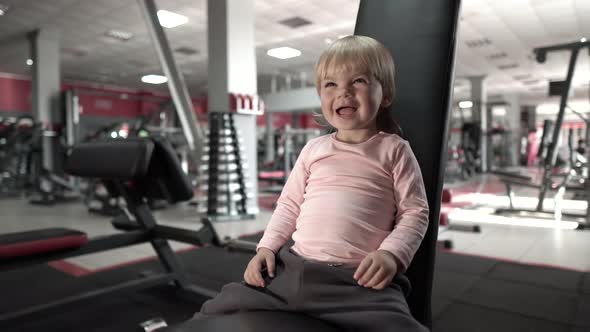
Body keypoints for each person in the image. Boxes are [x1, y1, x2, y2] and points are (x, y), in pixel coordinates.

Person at [196, 35, 430, 332]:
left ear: (384, 95)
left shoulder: (394, 149)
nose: (343, 92)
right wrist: (265, 248)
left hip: (358, 283)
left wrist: (391, 254)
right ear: (321, 95)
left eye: (357, 81)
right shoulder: (314, 149)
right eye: (330, 84)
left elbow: (415, 213)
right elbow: (288, 206)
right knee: (218, 307)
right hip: (294, 271)